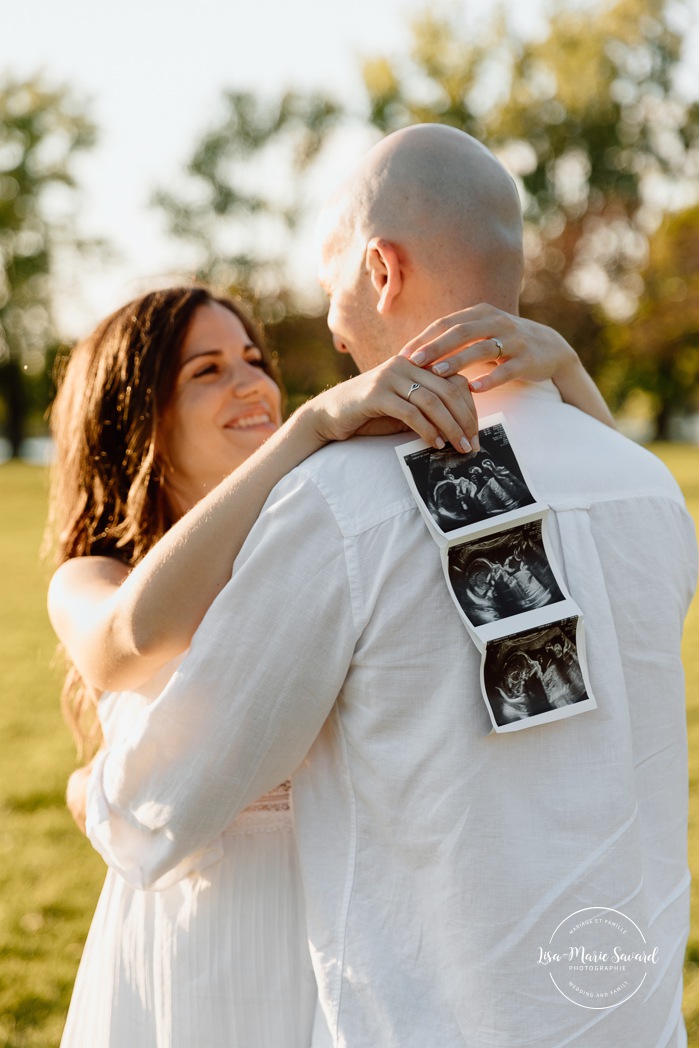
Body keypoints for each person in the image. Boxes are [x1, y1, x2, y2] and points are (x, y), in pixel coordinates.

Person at [79, 126, 696, 1046]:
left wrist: (98, 792)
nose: (326, 321)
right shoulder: (646, 487)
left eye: (332, 279)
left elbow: (162, 800)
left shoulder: (341, 502)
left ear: (379, 267)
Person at [48, 283, 602, 1047]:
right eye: (204, 370)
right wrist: (308, 427)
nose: (250, 383)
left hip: (350, 928)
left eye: (250, 358)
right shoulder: (92, 576)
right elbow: (128, 637)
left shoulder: (325, 530)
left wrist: (568, 377)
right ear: (135, 416)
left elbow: (592, 572)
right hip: (197, 935)